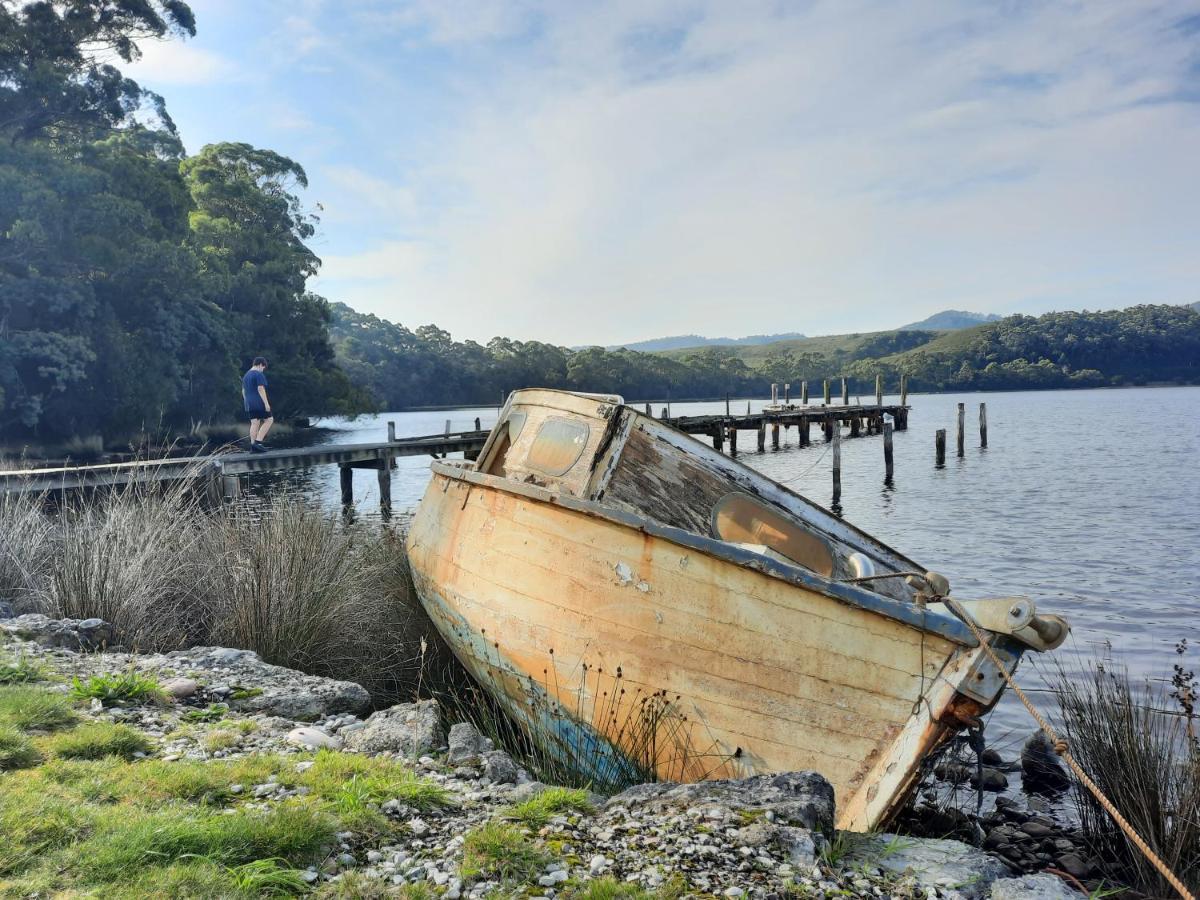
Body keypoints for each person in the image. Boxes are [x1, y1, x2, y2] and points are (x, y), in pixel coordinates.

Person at [242, 357, 273, 452]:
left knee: (254, 423)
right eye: (263, 367)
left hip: (248, 402)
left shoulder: (246, 375)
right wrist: (266, 403)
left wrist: (247, 401)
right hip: (258, 402)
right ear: (260, 364)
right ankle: (258, 442)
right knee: (269, 420)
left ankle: (253, 446)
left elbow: (243, 391)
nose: (263, 370)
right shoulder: (258, 374)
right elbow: (260, 389)